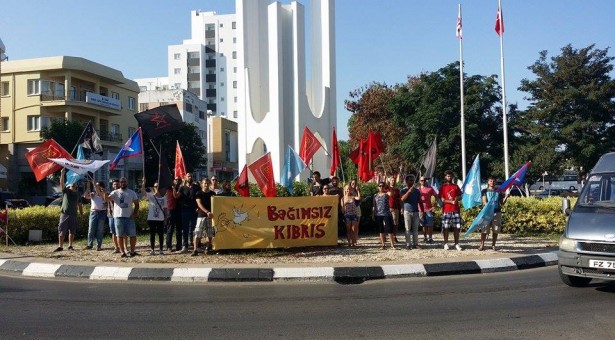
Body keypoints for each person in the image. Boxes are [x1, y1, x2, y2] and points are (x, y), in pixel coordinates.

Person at [107, 177, 140, 257]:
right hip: (118, 217)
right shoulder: (115, 192)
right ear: (119, 183)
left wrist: (134, 214)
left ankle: (132, 251)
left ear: (127, 182)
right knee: (119, 235)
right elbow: (107, 199)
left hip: (129, 217)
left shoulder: (132, 192)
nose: (123, 183)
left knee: (133, 235)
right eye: (121, 182)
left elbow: (137, 204)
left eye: (124, 182)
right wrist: (104, 193)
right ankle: (122, 252)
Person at [54, 169, 83, 252]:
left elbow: (80, 204)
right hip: (65, 214)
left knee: (72, 231)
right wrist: (62, 174)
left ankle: (70, 245)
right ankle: (60, 246)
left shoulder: (78, 194)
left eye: (76, 186)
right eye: (73, 186)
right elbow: (62, 184)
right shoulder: (66, 191)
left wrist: (81, 213)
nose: (74, 187)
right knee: (62, 230)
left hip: (74, 214)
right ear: (69, 186)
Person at [479, 176, 509, 251]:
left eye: (493, 181)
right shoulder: (484, 191)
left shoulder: (499, 191)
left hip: (497, 212)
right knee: (484, 230)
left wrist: (506, 197)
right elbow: (484, 201)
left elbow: (502, 203)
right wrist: (488, 206)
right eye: (491, 181)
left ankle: (493, 245)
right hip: (487, 213)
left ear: (495, 182)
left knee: (495, 230)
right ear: (488, 182)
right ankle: (482, 245)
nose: (492, 183)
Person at [174, 172, 200, 253]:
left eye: (191, 176)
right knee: (184, 229)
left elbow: (200, 198)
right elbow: (176, 196)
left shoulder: (197, 187)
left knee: (194, 229)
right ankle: (185, 246)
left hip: (194, 211)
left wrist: (198, 208)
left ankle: (195, 246)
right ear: (185, 178)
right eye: (188, 176)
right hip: (184, 211)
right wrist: (173, 188)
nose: (190, 177)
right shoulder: (182, 188)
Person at [438, 170, 463, 251]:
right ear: (445, 177)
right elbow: (442, 199)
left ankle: (456, 244)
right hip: (446, 210)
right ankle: (445, 243)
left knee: (457, 227)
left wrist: (457, 198)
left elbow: (460, 196)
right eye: (448, 176)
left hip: (456, 210)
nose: (449, 177)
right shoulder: (443, 187)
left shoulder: (456, 186)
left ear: (452, 177)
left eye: (450, 176)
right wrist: (450, 201)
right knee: (446, 227)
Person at [141, 178, 167, 255]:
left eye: (158, 186)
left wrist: (165, 218)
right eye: (155, 186)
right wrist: (143, 183)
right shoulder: (151, 196)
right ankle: (152, 249)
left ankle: (161, 250)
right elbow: (143, 192)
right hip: (151, 218)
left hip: (160, 218)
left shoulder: (164, 197)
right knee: (152, 234)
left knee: (161, 234)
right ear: (153, 188)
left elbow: (165, 209)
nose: (157, 188)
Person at [192, 178, 216, 256]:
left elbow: (216, 204)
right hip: (201, 216)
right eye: (205, 183)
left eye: (208, 183)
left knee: (210, 234)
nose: (206, 185)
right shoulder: (198, 193)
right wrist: (207, 212)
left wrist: (211, 213)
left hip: (211, 217)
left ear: (210, 184)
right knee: (197, 233)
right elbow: (199, 204)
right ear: (202, 184)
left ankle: (207, 249)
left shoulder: (213, 194)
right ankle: (195, 250)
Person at [83, 179, 107, 251]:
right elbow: (85, 196)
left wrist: (94, 184)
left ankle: (98, 246)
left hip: (101, 213)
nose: (96, 187)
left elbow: (100, 193)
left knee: (100, 230)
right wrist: (88, 187)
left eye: (98, 185)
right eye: (96, 186)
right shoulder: (93, 194)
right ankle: (89, 244)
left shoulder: (104, 193)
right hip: (93, 213)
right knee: (91, 230)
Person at [400, 175, 422, 249]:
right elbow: (403, 199)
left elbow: (420, 201)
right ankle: (408, 244)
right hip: (407, 212)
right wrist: (409, 192)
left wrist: (422, 210)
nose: (411, 182)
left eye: (412, 180)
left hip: (416, 211)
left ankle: (415, 244)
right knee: (407, 229)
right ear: (406, 181)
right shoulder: (403, 190)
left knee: (415, 229)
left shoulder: (417, 191)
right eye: (410, 180)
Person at [372, 181, 396, 249]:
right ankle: (383, 244)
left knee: (389, 229)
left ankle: (392, 244)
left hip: (386, 213)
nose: (381, 187)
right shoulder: (375, 195)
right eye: (380, 186)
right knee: (381, 230)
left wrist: (388, 186)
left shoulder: (386, 194)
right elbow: (374, 205)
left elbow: (391, 194)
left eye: (382, 186)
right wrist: (373, 213)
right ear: (378, 187)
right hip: (378, 214)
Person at [418, 176, 438, 243]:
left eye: (423, 180)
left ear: (425, 181)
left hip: (429, 209)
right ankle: (425, 237)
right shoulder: (418, 189)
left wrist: (434, 206)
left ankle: (430, 238)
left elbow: (436, 196)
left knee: (430, 224)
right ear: (419, 181)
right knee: (423, 224)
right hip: (420, 209)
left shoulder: (430, 188)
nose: (422, 181)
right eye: (421, 180)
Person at [165, 178, 182, 251]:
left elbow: (177, 196)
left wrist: (175, 188)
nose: (177, 181)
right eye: (176, 179)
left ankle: (179, 246)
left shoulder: (181, 188)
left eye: (179, 180)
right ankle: (169, 246)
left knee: (179, 229)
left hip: (179, 210)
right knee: (170, 229)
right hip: (171, 210)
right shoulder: (169, 188)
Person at [107, 179, 121, 253]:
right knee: (113, 232)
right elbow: (106, 199)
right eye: (114, 184)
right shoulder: (110, 193)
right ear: (112, 186)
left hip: (120, 215)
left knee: (121, 232)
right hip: (111, 216)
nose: (116, 185)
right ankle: (116, 247)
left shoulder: (122, 193)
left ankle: (123, 247)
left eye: (117, 184)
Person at [387, 176, 402, 242]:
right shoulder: (387, 188)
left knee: (395, 223)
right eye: (392, 180)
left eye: (394, 180)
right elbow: (389, 194)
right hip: (388, 208)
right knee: (387, 223)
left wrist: (401, 207)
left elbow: (400, 199)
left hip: (395, 208)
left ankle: (394, 236)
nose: (393, 181)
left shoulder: (397, 190)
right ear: (389, 181)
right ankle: (386, 237)